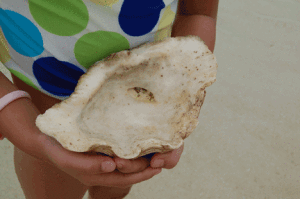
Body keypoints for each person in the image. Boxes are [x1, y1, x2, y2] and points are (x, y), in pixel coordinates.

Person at [0, 0, 219, 198]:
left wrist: (182, 96)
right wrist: (32, 137)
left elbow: (198, 13)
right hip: (44, 116)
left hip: (146, 107)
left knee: (117, 187)